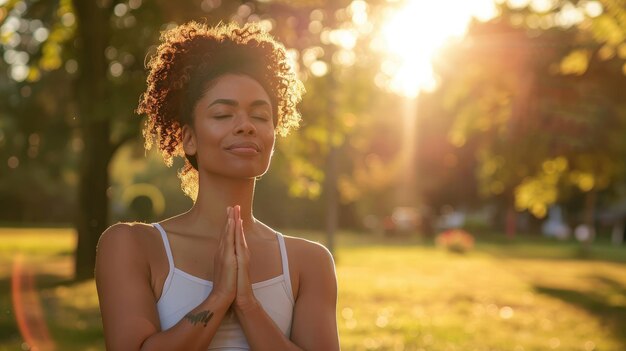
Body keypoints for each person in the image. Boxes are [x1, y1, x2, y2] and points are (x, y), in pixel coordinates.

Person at [95, 21, 340, 350]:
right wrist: (218, 297)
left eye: (260, 116)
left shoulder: (310, 262)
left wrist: (248, 305)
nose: (246, 127)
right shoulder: (131, 246)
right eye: (224, 115)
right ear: (190, 139)